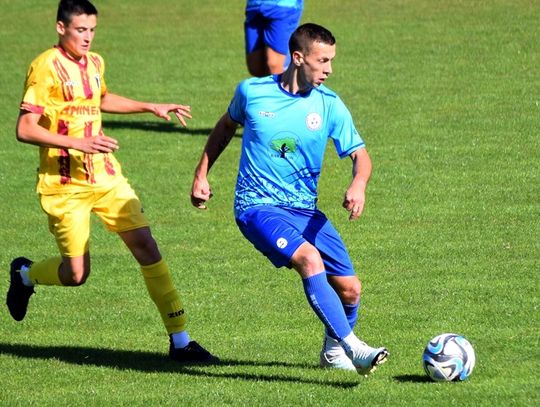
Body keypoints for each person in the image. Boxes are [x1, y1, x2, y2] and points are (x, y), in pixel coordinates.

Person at [6, 0, 218, 365]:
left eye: (92, 30)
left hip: (106, 176)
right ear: (61, 28)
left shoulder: (95, 62)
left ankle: (181, 340)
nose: (88, 37)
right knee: (76, 274)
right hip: (64, 183)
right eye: (80, 30)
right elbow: (24, 128)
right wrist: (78, 143)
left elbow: (100, 98)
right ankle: (25, 275)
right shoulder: (45, 67)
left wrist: (150, 106)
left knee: (146, 246)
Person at [191, 23, 389, 375]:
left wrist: (359, 183)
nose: (329, 69)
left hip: (304, 210)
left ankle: (333, 352)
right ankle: (354, 348)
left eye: (331, 60)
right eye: (322, 61)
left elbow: (361, 155)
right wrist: (201, 174)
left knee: (350, 290)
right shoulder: (252, 92)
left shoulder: (329, 105)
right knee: (309, 259)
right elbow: (225, 127)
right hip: (257, 206)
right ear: (298, 58)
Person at [244, 0, 303, 77]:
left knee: (275, 66)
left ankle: (287, 82)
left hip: (284, 6)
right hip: (255, 5)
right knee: (255, 67)